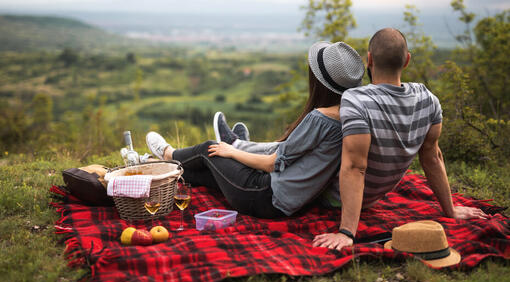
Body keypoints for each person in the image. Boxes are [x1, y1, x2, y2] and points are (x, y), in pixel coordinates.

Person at [312, 28, 488, 251]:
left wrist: (347, 232)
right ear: (407, 60)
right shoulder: (428, 99)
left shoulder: (356, 100)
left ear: (369, 59)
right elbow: (433, 157)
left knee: (268, 164)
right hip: (373, 198)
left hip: (329, 197)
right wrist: (450, 210)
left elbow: (355, 167)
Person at [145, 41, 365, 219]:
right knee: (206, 172)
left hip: (266, 198)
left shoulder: (321, 119)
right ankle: (154, 169)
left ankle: (167, 155)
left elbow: (272, 164)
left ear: (318, 82)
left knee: (209, 149)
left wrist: (232, 151)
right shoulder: (352, 116)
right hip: (291, 200)